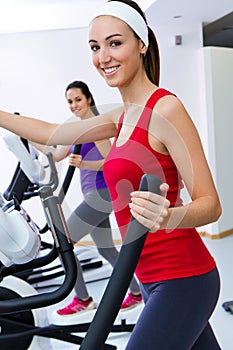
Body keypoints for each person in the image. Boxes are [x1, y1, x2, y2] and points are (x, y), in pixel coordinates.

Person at [0, 0, 222, 348]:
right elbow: (51, 132)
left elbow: (211, 205)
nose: (103, 56)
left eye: (115, 43)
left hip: (184, 276)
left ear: (142, 44)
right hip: (148, 276)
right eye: (95, 47)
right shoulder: (120, 116)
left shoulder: (166, 108)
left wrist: (168, 215)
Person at [32, 80, 142, 316]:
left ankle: (82, 299)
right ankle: (137, 292)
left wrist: (84, 163)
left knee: (64, 241)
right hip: (95, 197)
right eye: (70, 102)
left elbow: (113, 163)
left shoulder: (96, 127)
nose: (74, 105)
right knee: (107, 250)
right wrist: (26, 138)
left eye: (78, 100)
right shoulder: (78, 129)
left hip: (101, 195)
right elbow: (57, 154)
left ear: (89, 99)